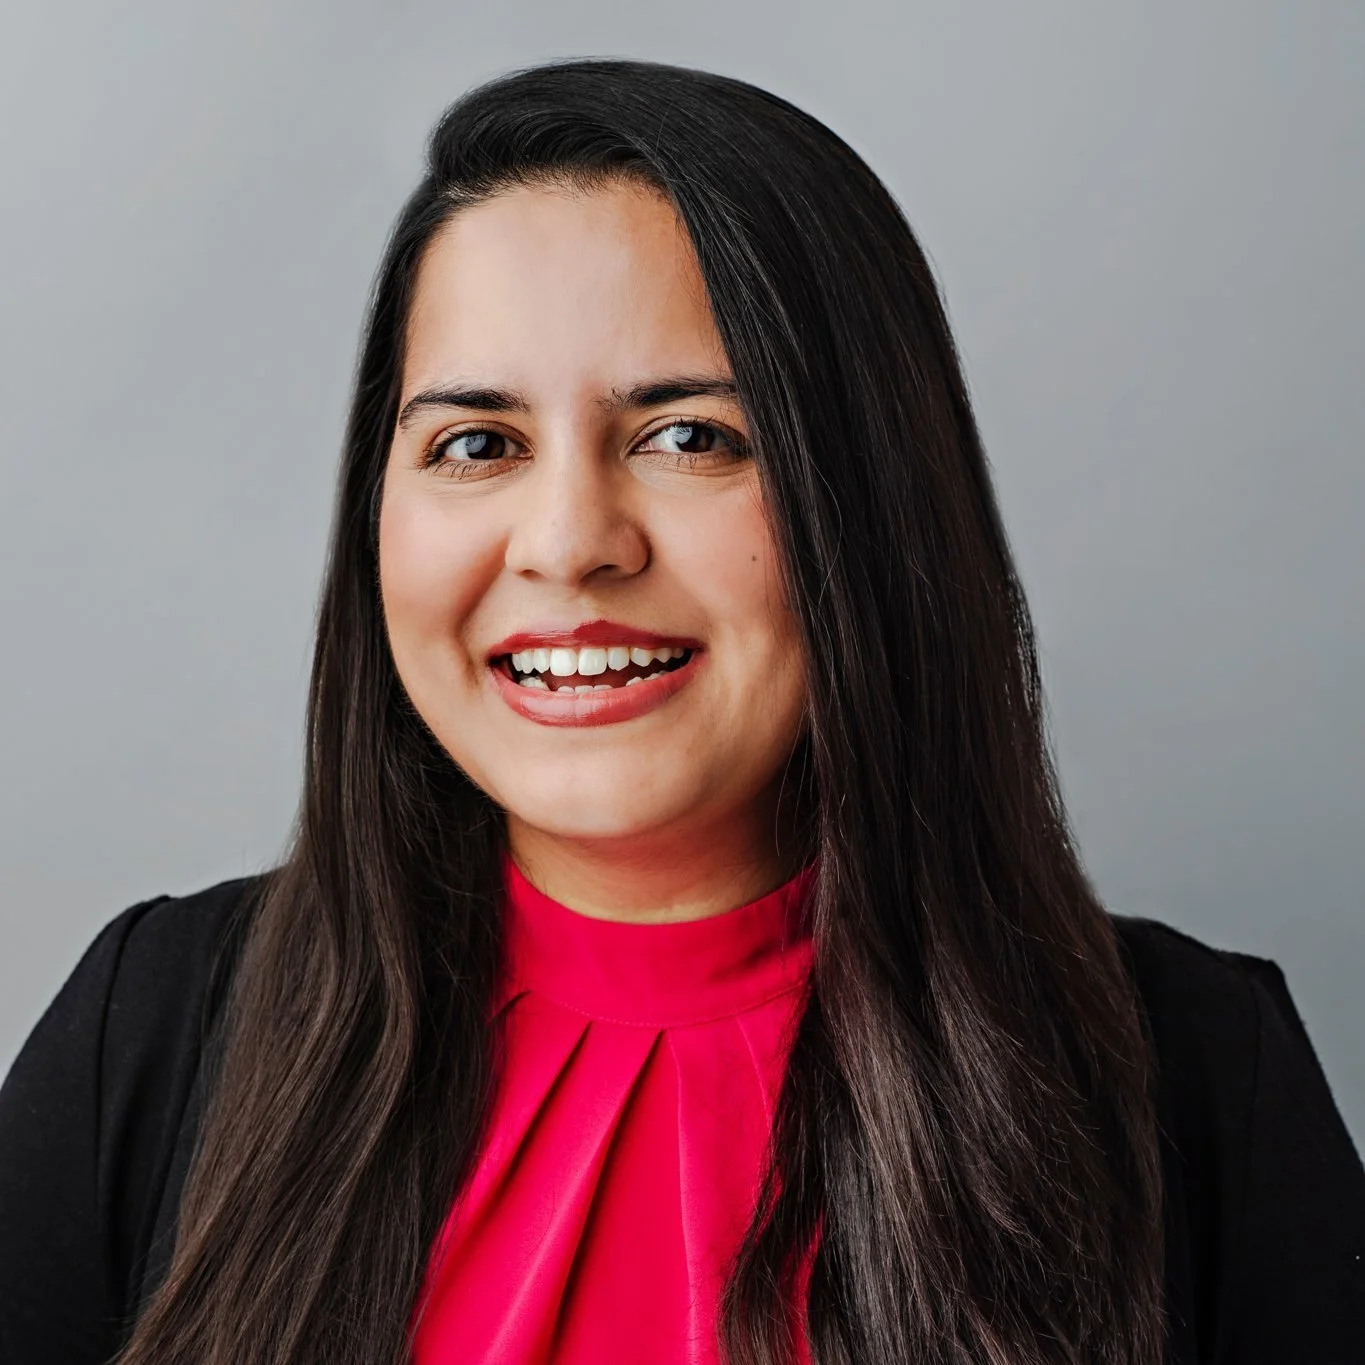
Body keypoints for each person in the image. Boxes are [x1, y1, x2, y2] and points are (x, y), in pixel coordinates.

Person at [1, 57, 1361, 1365]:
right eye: (476, 443)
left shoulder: (1204, 1082)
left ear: (870, 501)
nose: (568, 543)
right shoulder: (153, 1027)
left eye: (690, 437)